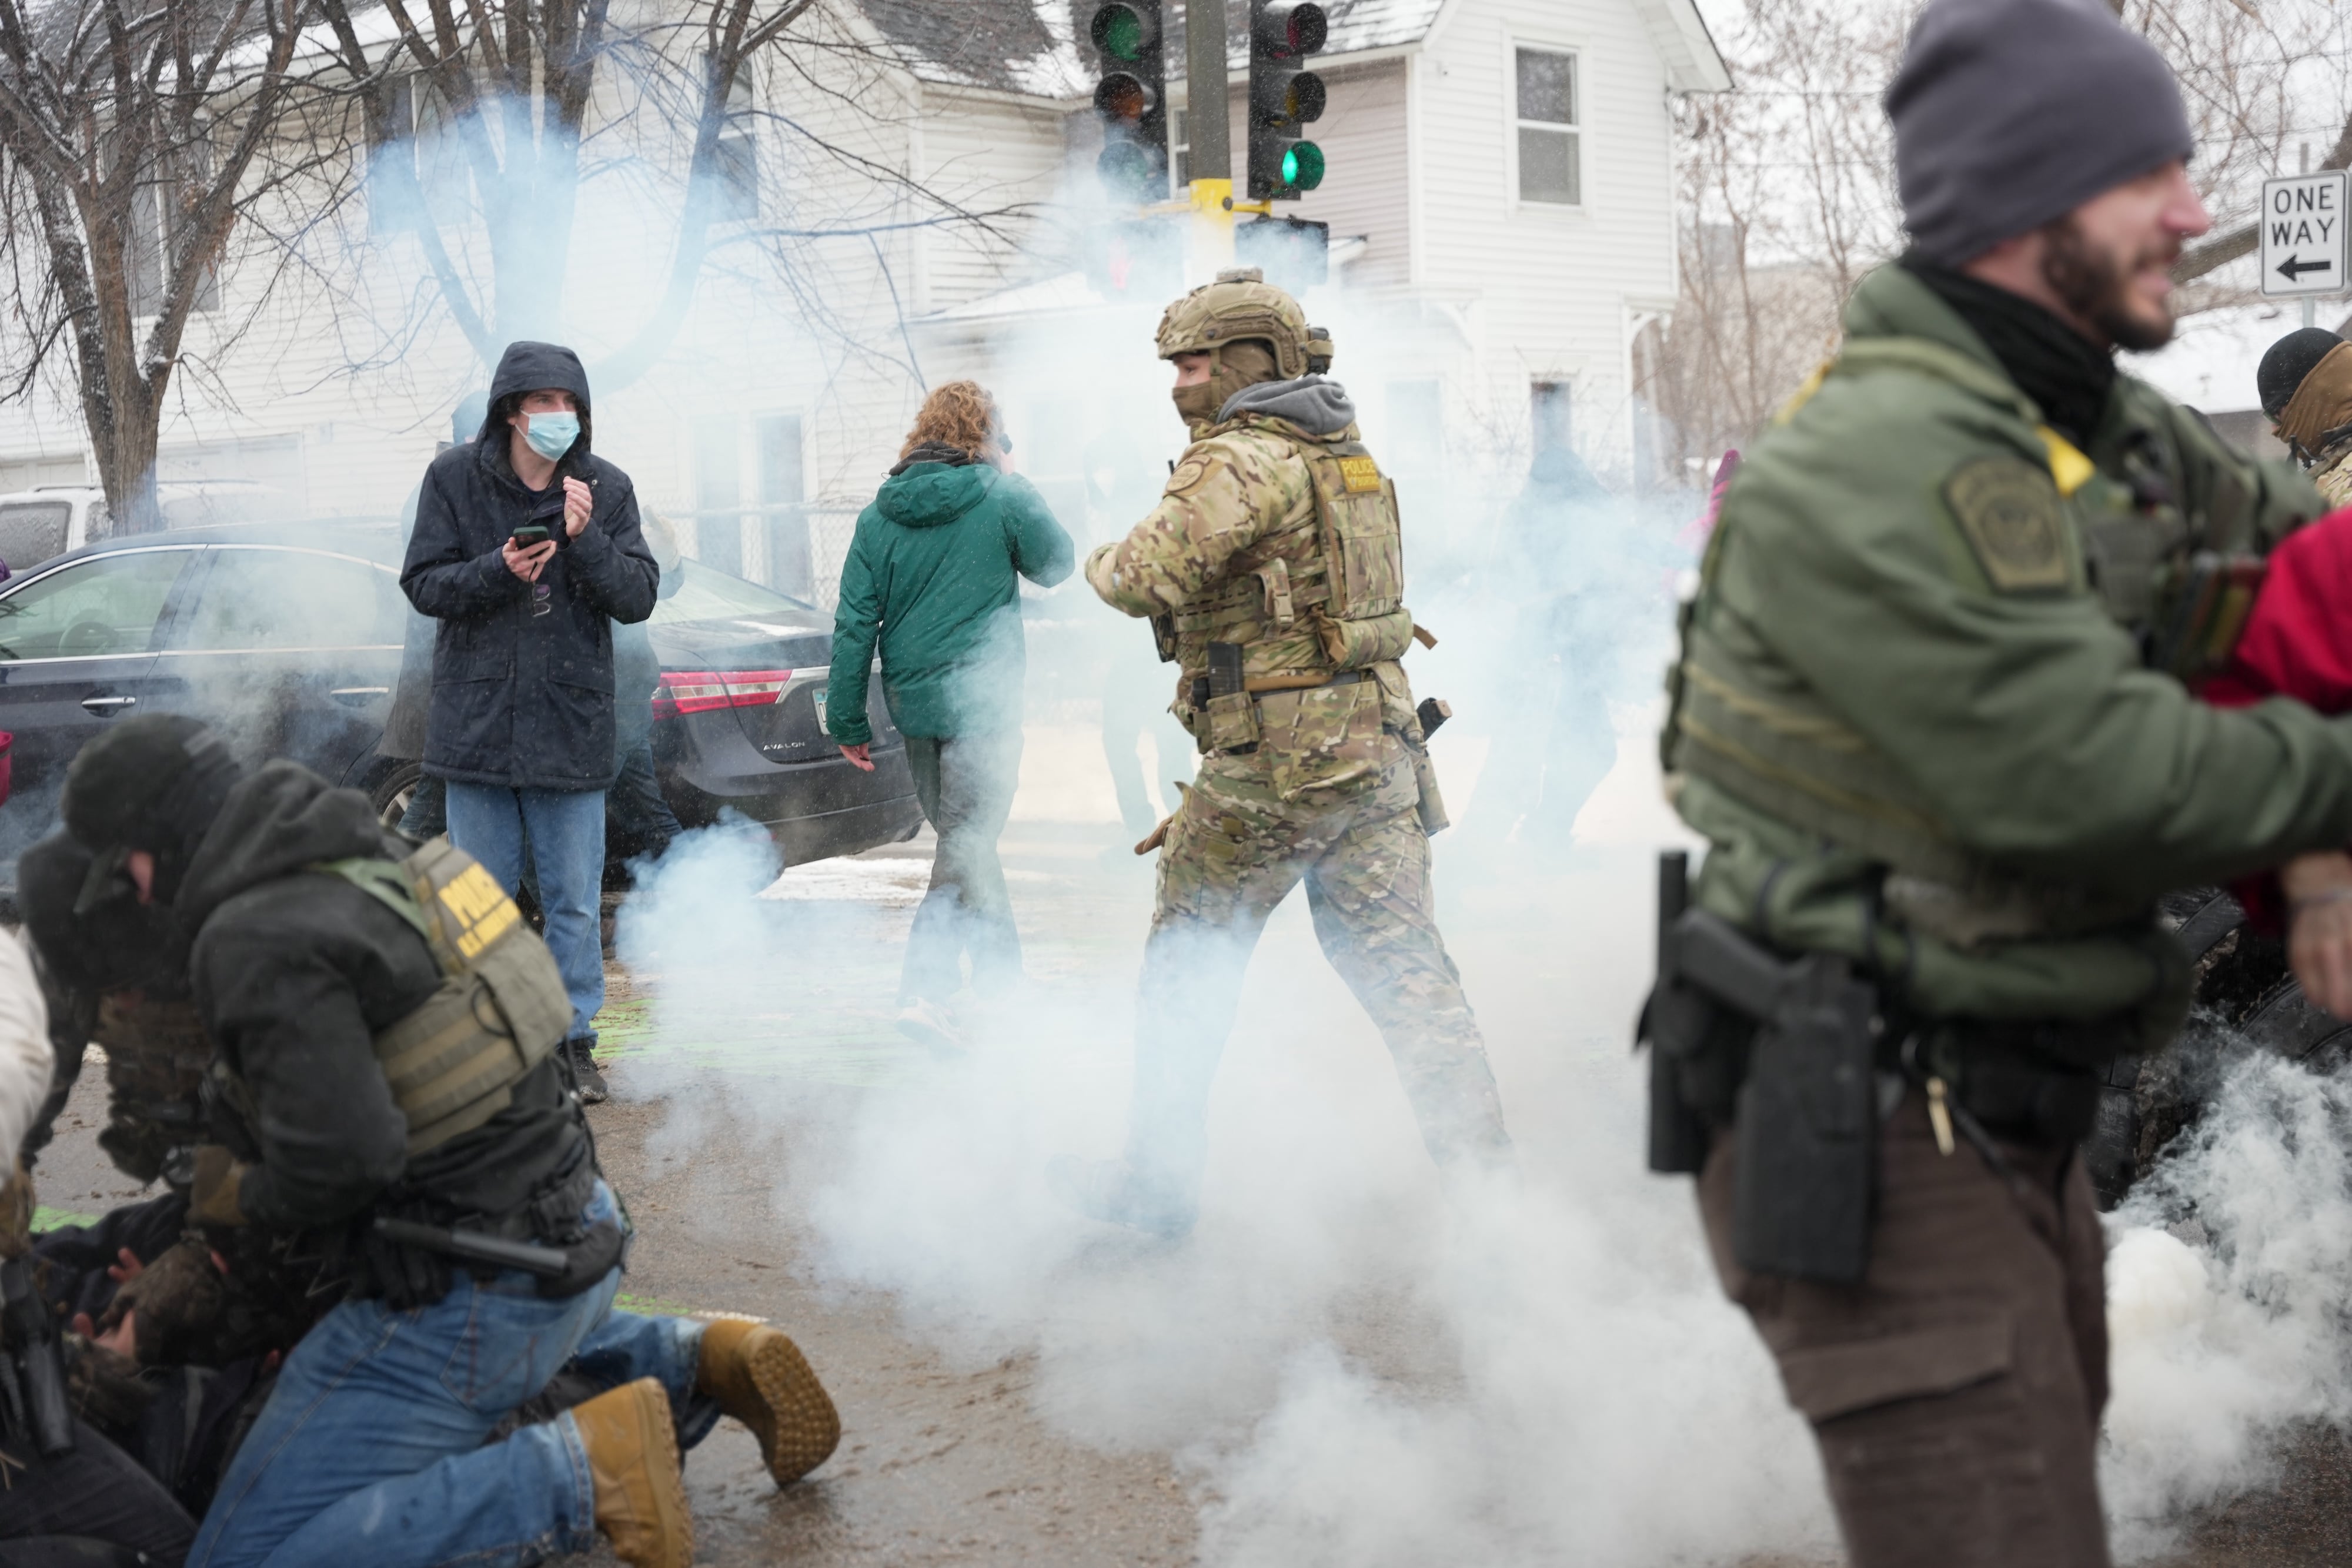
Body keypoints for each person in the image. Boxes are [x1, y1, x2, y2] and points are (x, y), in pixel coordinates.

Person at [1643, 4, 2352, 1562]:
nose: (2192, 213)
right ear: (2034, 205)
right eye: (2149, 179)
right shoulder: (1884, 452)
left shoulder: (2098, 421)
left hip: (2022, 1095)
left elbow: (2292, 592)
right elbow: (2087, 774)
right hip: (1874, 1111)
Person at [58, 716, 838, 1568]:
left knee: (251, 1550)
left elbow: (338, 1167)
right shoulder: (366, 854)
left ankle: (584, 1473)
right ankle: (695, 1357)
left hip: (476, 1292)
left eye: (126, 868)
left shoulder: (253, 935)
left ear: (161, 838)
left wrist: (222, 1213)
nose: (135, 896)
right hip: (580, 1237)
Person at [1055, 269, 1511, 1238]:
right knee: (1411, 979)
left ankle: (1154, 1193)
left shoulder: (1243, 458)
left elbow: (1141, 576)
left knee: (1187, 969)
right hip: (1377, 754)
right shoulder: (1344, 452)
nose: (1179, 382)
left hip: (1273, 768)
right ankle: (1495, 1203)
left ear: (1247, 361)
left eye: (1194, 363)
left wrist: (1094, 559)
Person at [401, 343, 659, 1097]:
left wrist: (587, 539)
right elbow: (423, 583)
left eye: (569, 402)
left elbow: (637, 597)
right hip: (476, 725)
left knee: (572, 900)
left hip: (571, 725)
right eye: (544, 401)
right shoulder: (453, 479)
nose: (559, 415)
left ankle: (572, 1042)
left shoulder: (605, 488)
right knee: (480, 904)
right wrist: (497, 570)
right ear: (511, 409)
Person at [826, 380, 1074, 1051]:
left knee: (966, 845)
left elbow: (854, 624)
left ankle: (999, 986)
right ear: (987, 436)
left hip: (917, 709)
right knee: (968, 844)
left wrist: (847, 720)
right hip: (985, 703)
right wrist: (1016, 481)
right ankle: (927, 991)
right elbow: (1058, 565)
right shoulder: (1002, 496)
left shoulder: (878, 517)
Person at [2259, 325, 2352, 505]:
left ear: (2313, 402)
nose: (2274, 429)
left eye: (2275, 415)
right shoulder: (2333, 467)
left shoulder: (2343, 489)